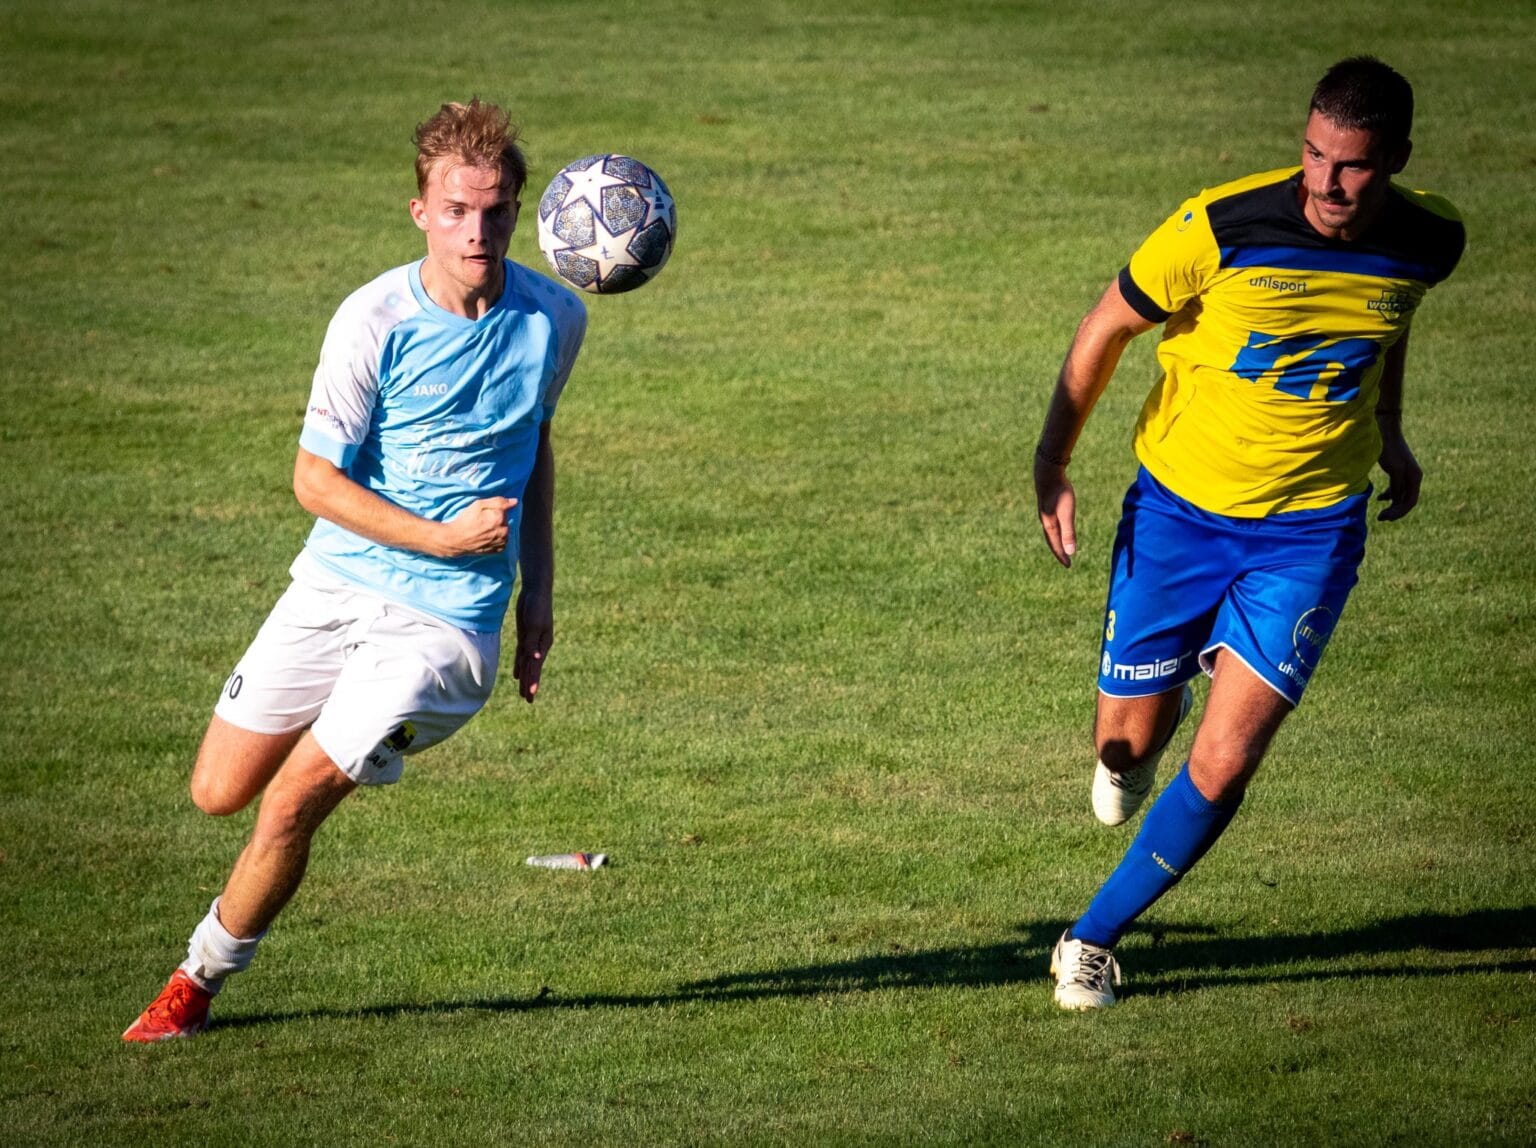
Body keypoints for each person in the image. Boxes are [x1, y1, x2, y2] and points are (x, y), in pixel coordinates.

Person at [123, 99, 588, 1041]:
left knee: (292, 800)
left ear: (520, 210)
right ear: (420, 209)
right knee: (218, 790)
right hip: (339, 582)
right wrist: (439, 534)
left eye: (495, 210)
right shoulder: (371, 319)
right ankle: (346, 751)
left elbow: (534, 445)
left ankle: (194, 985)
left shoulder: (557, 316)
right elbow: (312, 481)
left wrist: (537, 593)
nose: (478, 231)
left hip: (445, 628)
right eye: (456, 209)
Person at [1033, 57, 1464, 1009]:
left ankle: (1091, 938)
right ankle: (1155, 719)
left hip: (1310, 534)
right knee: (1122, 753)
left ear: (1394, 158)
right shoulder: (1220, 227)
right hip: (1179, 513)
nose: (1326, 183)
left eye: (1352, 166)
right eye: (1313, 155)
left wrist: (1388, 431)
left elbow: (1386, 326)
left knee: (1227, 761)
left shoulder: (1431, 240)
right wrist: (1052, 463)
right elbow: (1104, 327)